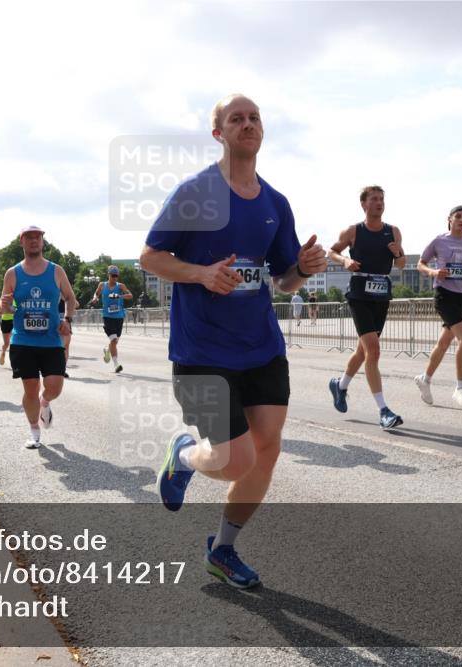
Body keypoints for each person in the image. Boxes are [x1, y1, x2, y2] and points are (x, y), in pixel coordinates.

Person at [141, 94, 326, 589]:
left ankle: (222, 549)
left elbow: (283, 282)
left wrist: (302, 271)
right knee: (234, 460)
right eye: (236, 119)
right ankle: (183, 454)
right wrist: (201, 273)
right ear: (219, 133)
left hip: (261, 346)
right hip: (202, 351)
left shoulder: (274, 203)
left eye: (254, 118)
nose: (248, 124)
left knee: (266, 449)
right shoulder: (195, 192)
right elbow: (150, 257)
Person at [327, 185, 405, 430]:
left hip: (381, 295)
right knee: (373, 350)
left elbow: (401, 264)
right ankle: (383, 411)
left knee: (363, 352)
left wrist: (398, 252)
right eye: (374, 199)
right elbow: (331, 251)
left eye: (382, 199)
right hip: (359, 293)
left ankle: (339, 386)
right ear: (364, 204)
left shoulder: (393, 231)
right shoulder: (353, 231)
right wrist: (345, 260)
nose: (379, 203)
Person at [1, 226, 77, 449]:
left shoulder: (56, 271)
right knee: (30, 389)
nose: (34, 241)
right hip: (23, 340)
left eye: (38, 237)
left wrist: (68, 320)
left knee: (54, 387)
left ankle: (46, 403)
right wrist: (4, 305)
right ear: (21, 242)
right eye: (29, 237)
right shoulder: (13, 273)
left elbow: (71, 299)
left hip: (51, 339)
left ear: (42, 242)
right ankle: (34, 430)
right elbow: (3, 304)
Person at [413, 205, 462, 408]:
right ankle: (460, 388)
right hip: (444, 295)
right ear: (450, 220)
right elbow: (420, 263)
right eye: (458, 217)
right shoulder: (439, 241)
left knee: (444, 343)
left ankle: (424, 379)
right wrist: (434, 273)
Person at [88, 265, 132, 373]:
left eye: (116, 276)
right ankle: (116, 365)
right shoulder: (102, 285)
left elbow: (130, 295)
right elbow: (96, 294)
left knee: (115, 342)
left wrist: (119, 296)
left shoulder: (120, 286)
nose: (115, 278)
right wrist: (95, 298)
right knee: (114, 340)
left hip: (119, 316)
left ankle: (107, 351)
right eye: (113, 275)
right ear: (108, 275)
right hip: (107, 316)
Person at [0, 297, 14, 366]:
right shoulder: (3, 297)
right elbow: (0, 309)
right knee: (6, 343)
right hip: (5, 321)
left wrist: (9, 308)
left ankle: (13, 362)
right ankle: (3, 352)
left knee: (14, 343)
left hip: (15, 321)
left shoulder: (17, 296)